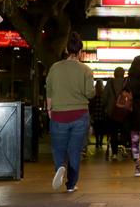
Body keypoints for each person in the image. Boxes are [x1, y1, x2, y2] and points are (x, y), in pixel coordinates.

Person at [46, 31, 95, 193]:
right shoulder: (86, 70)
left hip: (59, 114)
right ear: (80, 52)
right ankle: (71, 184)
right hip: (80, 115)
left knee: (58, 148)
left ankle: (60, 166)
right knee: (74, 150)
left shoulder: (55, 68)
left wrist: (49, 109)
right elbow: (89, 93)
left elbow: (49, 92)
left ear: (66, 50)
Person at [103, 67, 127, 160]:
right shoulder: (126, 82)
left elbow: (104, 97)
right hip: (125, 112)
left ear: (115, 74)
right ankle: (124, 147)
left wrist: (105, 107)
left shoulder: (110, 83)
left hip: (112, 112)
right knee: (125, 130)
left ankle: (114, 153)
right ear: (123, 74)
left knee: (113, 132)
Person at [89, 79, 107, 149]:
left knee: (96, 129)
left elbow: (91, 103)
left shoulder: (94, 93)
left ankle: (97, 142)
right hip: (102, 113)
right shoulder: (104, 92)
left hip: (95, 113)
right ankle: (101, 142)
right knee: (102, 129)